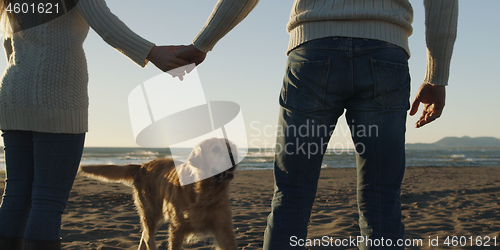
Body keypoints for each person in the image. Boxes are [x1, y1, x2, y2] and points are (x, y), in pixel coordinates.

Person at [177, 0, 458, 249]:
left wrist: (202, 44)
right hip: (385, 54)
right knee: (382, 197)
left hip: (313, 51)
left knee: (292, 194)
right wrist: (437, 75)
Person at [0, 0, 189, 249]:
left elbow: (8, 42)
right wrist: (152, 53)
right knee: (47, 199)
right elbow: (104, 22)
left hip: (14, 91)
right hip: (56, 96)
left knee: (16, 193)